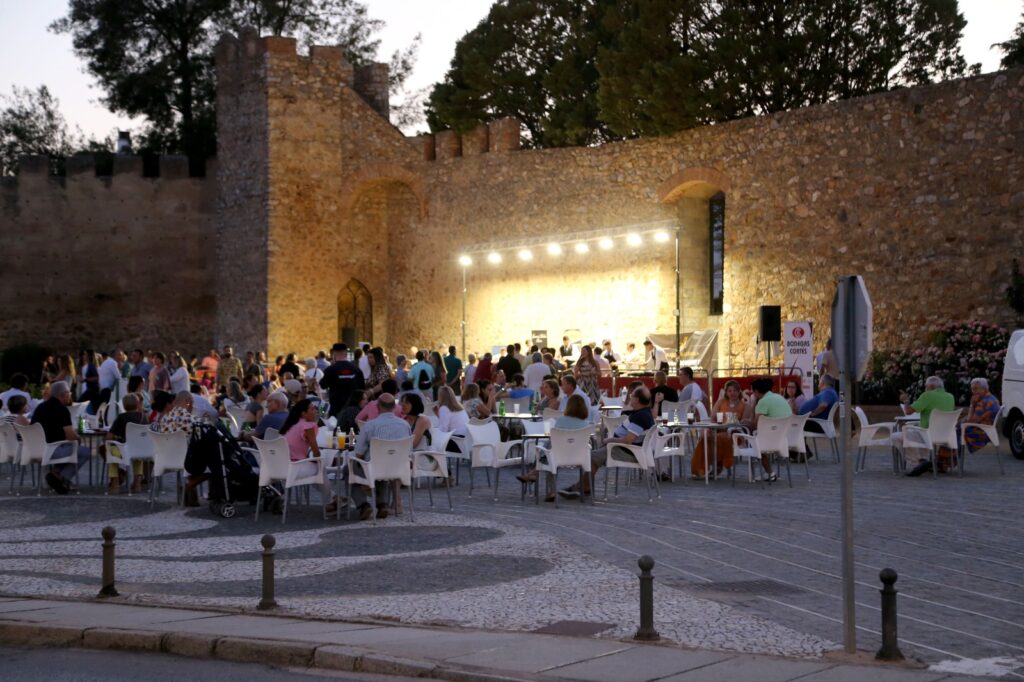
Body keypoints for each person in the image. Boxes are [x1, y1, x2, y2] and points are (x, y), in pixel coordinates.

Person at [561, 387, 655, 498]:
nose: (630, 398)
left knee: (591, 457)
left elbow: (629, 440)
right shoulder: (643, 413)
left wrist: (610, 440)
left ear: (637, 400)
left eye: (631, 396)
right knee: (592, 456)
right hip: (624, 449)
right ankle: (582, 486)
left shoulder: (641, 416)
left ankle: (582, 487)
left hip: (627, 451)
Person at [350, 394, 411, 520]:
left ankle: (363, 505)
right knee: (383, 467)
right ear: (394, 407)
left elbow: (359, 453)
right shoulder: (405, 425)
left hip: (375, 468)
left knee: (349, 469)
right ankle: (382, 504)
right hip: (398, 468)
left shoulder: (370, 425)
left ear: (378, 407)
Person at [280, 399, 339, 514]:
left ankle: (335, 498)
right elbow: (316, 451)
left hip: (282, 467)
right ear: (303, 413)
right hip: (295, 467)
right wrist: (319, 462)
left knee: (315, 472)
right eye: (312, 409)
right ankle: (332, 500)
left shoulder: (290, 425)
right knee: (320, 469)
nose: (315, 411)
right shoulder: (307, 426)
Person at [29, 381, 90, 494]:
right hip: (53, 450)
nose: (70, 396)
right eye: (69, 393)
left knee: (69, 448)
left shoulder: (40, 407)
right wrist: (78, 438)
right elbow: (70, 436)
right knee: (84, 452)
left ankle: (56, 473)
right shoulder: (62, 410)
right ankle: (60, 476)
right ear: (62, 395)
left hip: (37, 449)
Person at [898, 376, 956, 476]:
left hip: (927, 434)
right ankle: (924, 461)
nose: (925, 388)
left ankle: (920, 461)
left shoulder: (927, 395)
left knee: (896, 437)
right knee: (917, 431)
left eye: (926, 386)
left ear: (931, 386)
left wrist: (906, 400)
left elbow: (908, 411)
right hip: (946, 435)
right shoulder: (950, 396)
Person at [693, 380, 748, 479]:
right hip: (719, 429)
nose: (732, 393)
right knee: (705, 437)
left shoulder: (743, 405)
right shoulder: (721, 402)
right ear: (726, 392)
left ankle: (717, 467)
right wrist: (711, 428)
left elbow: (745, 422)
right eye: (730, 391)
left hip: (734, 434)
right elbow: (713, 417)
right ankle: (699, 469)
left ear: (739, 391)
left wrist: (736, 422)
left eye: (735, 390)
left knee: (720, 438)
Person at [748, 377, 792, 482]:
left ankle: (770, 473)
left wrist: (746, 420)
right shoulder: (780, 398)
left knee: (752, 439)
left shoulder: (763, 402)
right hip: (784, 438)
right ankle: (771, 472)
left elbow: (755, 425)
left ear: (756, 391)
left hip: (767, 441)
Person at [104, 393, 149, 493]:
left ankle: (115, 484)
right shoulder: (144, 417)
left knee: (111, 451)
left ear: (123, 406)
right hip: (139, 450)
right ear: (138, 404)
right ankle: (137, 484)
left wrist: (116, 437)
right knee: (138, 457)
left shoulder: (121, 418)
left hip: (123, 450)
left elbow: (109, 437)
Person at [320, 343, 365, 417]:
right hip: (354, 409)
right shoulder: (357, 370)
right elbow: (362, 388)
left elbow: (323, 385)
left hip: (336, 408)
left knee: (337, 428)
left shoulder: (330, 370)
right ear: (346, 355)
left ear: (333, 355)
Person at [961, 377, 1001, 455]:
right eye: (972, 389)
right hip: (990, 431)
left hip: (981, 433)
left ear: (984, 389)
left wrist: (972, 405)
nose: (973, 392)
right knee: (959, 425)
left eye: (976, 389)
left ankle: (947, 461)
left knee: (955, 431)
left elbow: (970, 421)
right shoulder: (993, 398)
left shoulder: (983, 402)